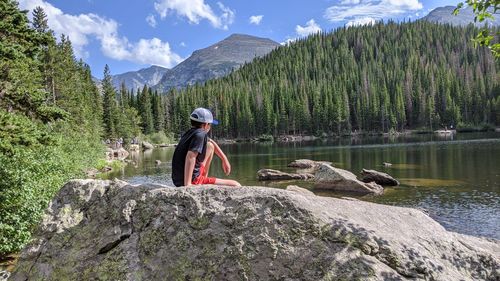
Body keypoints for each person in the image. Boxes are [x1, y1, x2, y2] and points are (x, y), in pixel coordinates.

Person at [171, 107, 241, 187]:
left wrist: (224, 159)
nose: (210, 127)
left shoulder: (191, 133)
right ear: (206, 124)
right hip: (190, 181)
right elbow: (190, 156)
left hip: (177, 179)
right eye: (210, 124)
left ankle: (203, 178)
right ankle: (200, 181)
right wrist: (188, 185)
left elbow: (211, 142)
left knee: (210, 146)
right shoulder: (200, 134)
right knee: (236, 185)